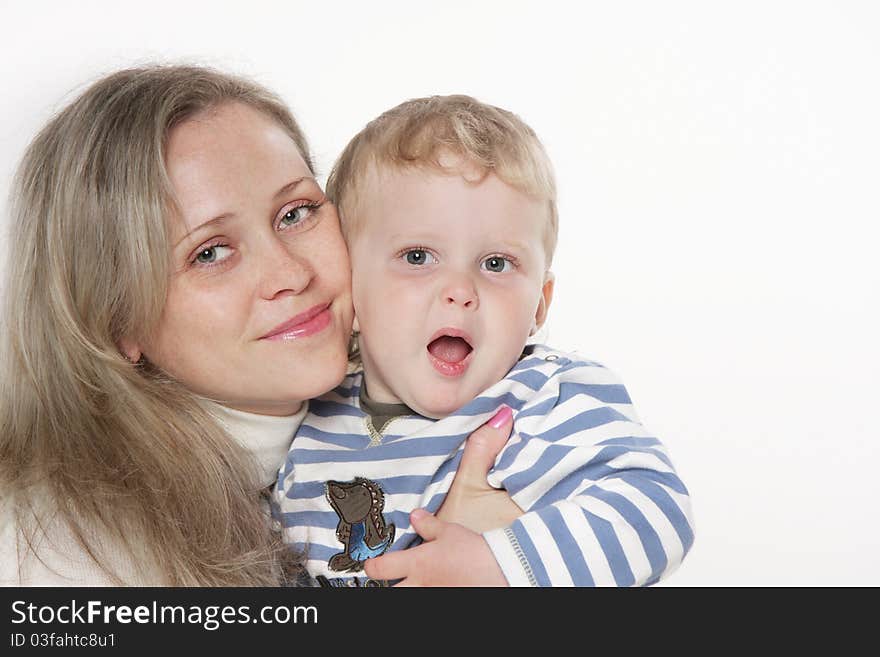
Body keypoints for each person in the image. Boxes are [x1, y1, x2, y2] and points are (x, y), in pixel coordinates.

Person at [0, 66, 518, 586]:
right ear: (117, 321)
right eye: (210, 252)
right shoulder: (58, 555)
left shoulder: (439, 397)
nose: (291, 274)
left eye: (295, 213)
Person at [275, 95, 695, 586]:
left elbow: (654, 509)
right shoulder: (311, 420)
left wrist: (498, 565)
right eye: (417, 257)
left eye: (496, 264)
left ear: (539, 303)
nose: (459, 291)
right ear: (351, 285)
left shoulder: (546, 399)